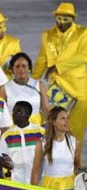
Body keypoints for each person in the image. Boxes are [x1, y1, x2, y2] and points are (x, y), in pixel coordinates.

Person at [32, 2, 87, 142]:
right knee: (51, 123)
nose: (61, 22)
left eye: (66, 19)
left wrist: (58, 66)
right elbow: (42, 59)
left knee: (75, 129)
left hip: (78, 90)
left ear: (73, 19)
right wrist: (32, 80)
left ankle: (76, 161)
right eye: (59, 18)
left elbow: (84, 56)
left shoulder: (83, 34)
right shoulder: (47, 35)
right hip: (56, 87)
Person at [1, 101, 45, 185]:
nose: (14, 114)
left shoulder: (40, 132)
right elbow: (3, 157)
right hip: (17, 181)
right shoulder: (7, 136)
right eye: (14, 111)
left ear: (28, 114)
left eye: (19, 112)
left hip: (39, 181)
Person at [4, 52, 49, 125]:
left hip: (35, 129)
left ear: (29, 68)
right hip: (13, 130)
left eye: (24, 66)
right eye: (17, 66)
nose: (21, 69)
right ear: (12, 69)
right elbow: (1, 113)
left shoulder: (39, 85)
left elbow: (46, 110)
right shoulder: (4, 87)